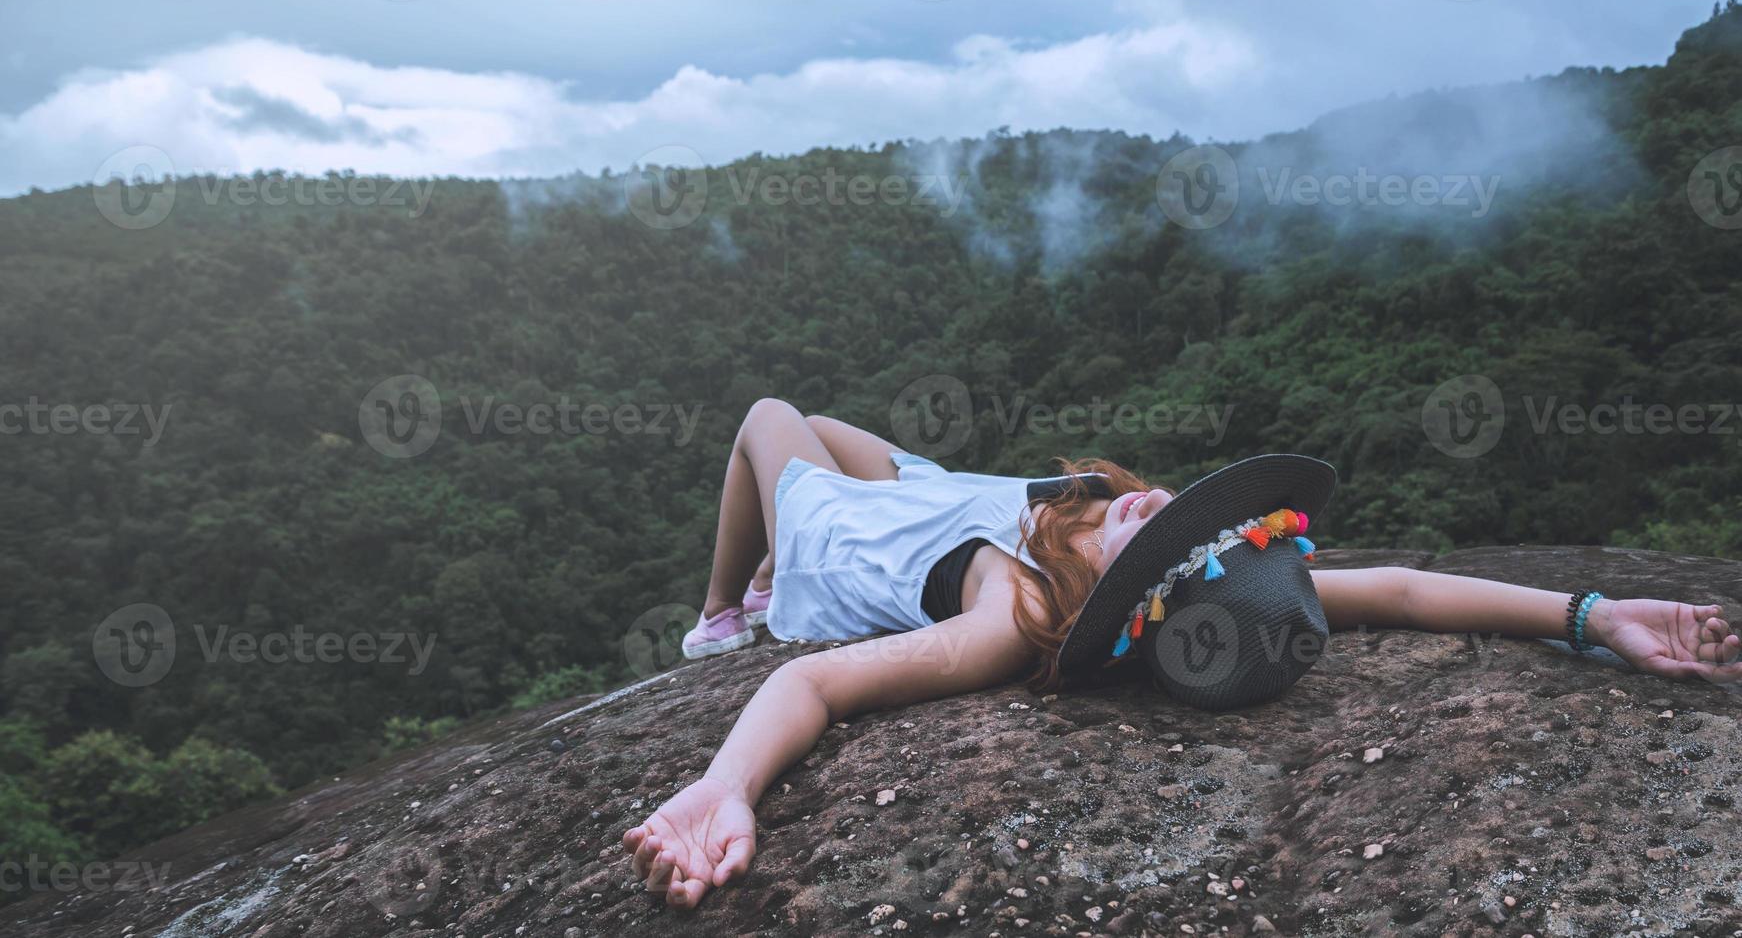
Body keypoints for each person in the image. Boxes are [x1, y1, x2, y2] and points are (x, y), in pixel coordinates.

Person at [622, 398, 1741, 909]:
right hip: (946, 498)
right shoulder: (1172, 572)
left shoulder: (1007, 619)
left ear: (1132, 605)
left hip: (850, 544)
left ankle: (723, 605)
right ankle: (765, 554)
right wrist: (1590, 614)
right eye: (1177, 523)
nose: (1150, 505)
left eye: (1145, 535)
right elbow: (1394, 590)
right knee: (841, 426)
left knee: (773, 417)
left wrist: (724, 783)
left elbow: (811, 678)